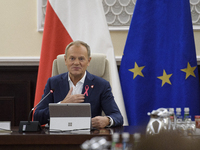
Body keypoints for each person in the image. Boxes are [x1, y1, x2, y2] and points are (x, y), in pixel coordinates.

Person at [34, 40, 123, 128]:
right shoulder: (53, 83)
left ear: (88, 61)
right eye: (72, 58)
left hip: (88, 137)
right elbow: (37, 117)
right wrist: (62, 105)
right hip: (59, 136)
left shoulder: (101, 85)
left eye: (81, 59)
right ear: (65, 60)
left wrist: (107, 120)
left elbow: (118, 117)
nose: (76, 63)